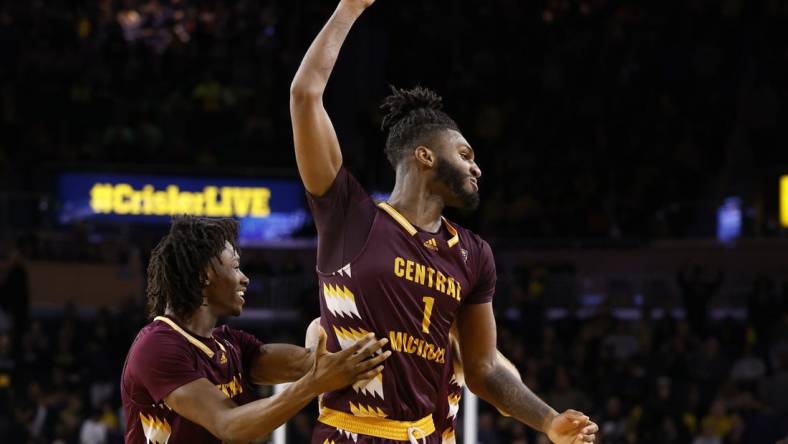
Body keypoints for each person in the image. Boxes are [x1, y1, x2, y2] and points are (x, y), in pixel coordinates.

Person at [289, 1, 598, 442]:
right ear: (425, 156)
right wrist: (350, 8)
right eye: (465, 154)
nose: (476, 168)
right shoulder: (351, 218)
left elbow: (485, 368)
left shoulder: (473, 254)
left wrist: (548, 420)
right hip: (353, 432)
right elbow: (304, 95)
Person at [120, 216, 389, 443]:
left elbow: (308, 362)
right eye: (235, 267)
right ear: (204, 276)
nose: (245, 278)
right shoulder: (157, 347)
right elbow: (228, 425)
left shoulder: (228, 343)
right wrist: (313, 385)